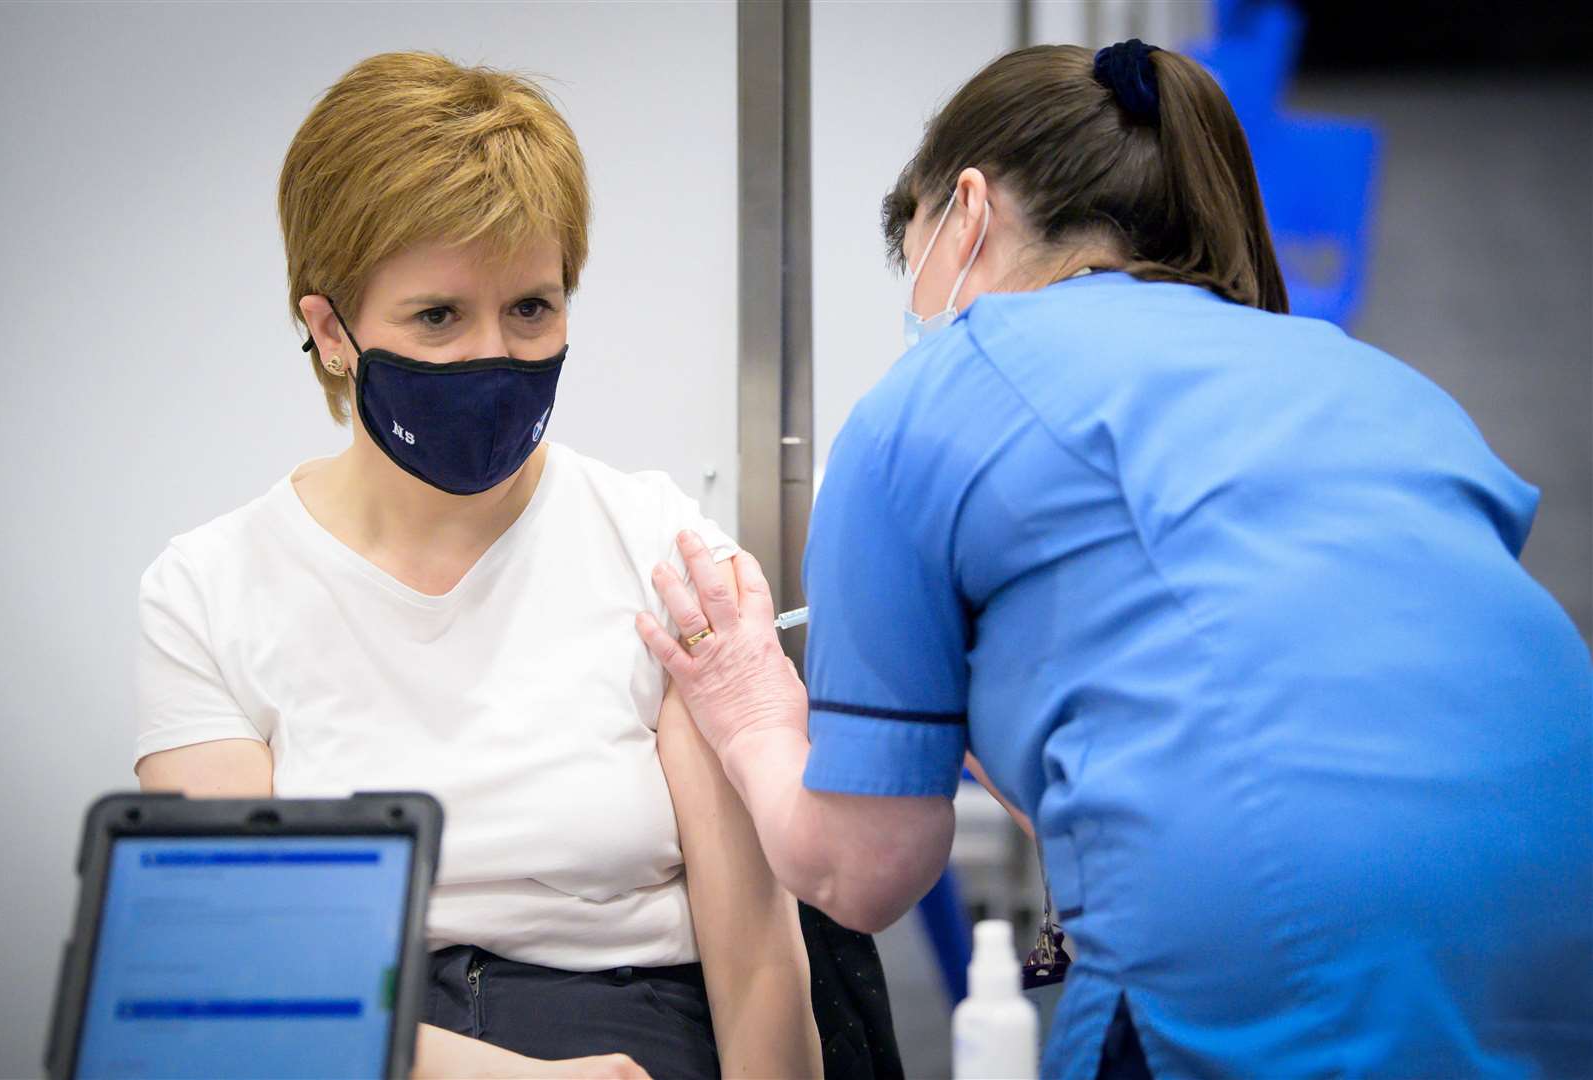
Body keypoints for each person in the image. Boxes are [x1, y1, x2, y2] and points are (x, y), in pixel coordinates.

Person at [638, 40, 1593, 1079]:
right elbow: (1313, 677)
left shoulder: (934, 396)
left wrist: (751, 709)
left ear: (964, 210)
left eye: (908, 250)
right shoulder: (1367, 378)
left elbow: (861, 869)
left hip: (1279, 952)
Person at [132, 51, 836, 1080]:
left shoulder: (660, 550)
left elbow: (760, 969)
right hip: (348, 1047)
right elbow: (240, 968)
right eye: (437, 316)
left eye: (532, 309)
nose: (493, 356)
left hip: (632, 1028)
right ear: (329, 329)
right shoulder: (206, 590)